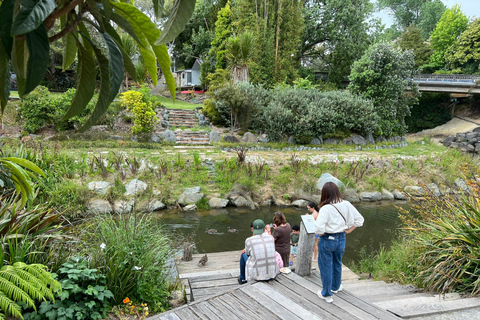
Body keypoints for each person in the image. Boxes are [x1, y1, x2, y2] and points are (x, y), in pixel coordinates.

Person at [313, 182, 364, 303]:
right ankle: (336, 287)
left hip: (328, 240)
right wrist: (349, 230)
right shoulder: (346, 204)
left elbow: (318, 229)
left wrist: (322, 233)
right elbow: (360, 220)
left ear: (324, 194)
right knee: (337, 262)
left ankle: (326, 294)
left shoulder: (325, 208)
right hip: (341, 238)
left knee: (325, 266)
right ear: (337, 192)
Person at [238, 219, 279, 284]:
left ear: (253, 229)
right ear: (264, 229)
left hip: (257, 276)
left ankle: (242, 278)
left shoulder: (249, 240)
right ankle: (242, 277)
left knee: (243, 255)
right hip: (272, 274)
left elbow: (247, 253)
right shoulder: (271, 238)